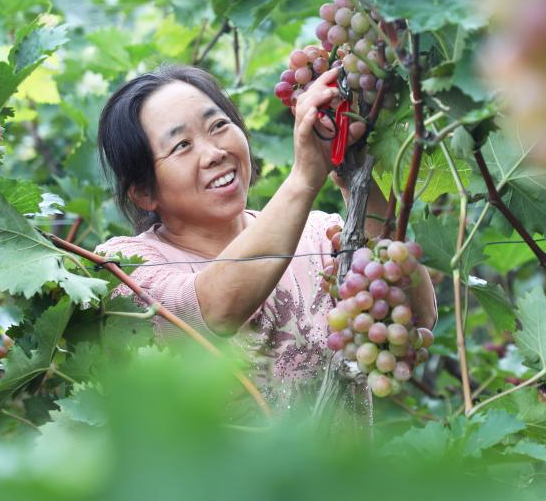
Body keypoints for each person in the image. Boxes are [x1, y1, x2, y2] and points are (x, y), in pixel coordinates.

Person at [94, 64, 437, 419]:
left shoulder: (321, 236)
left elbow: (415, 319)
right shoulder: (123, 268)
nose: (214, 152)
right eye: (182, 145)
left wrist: (359, 171)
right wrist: (305, 177)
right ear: (143, 191)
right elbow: (213, 311)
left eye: (219, 126)